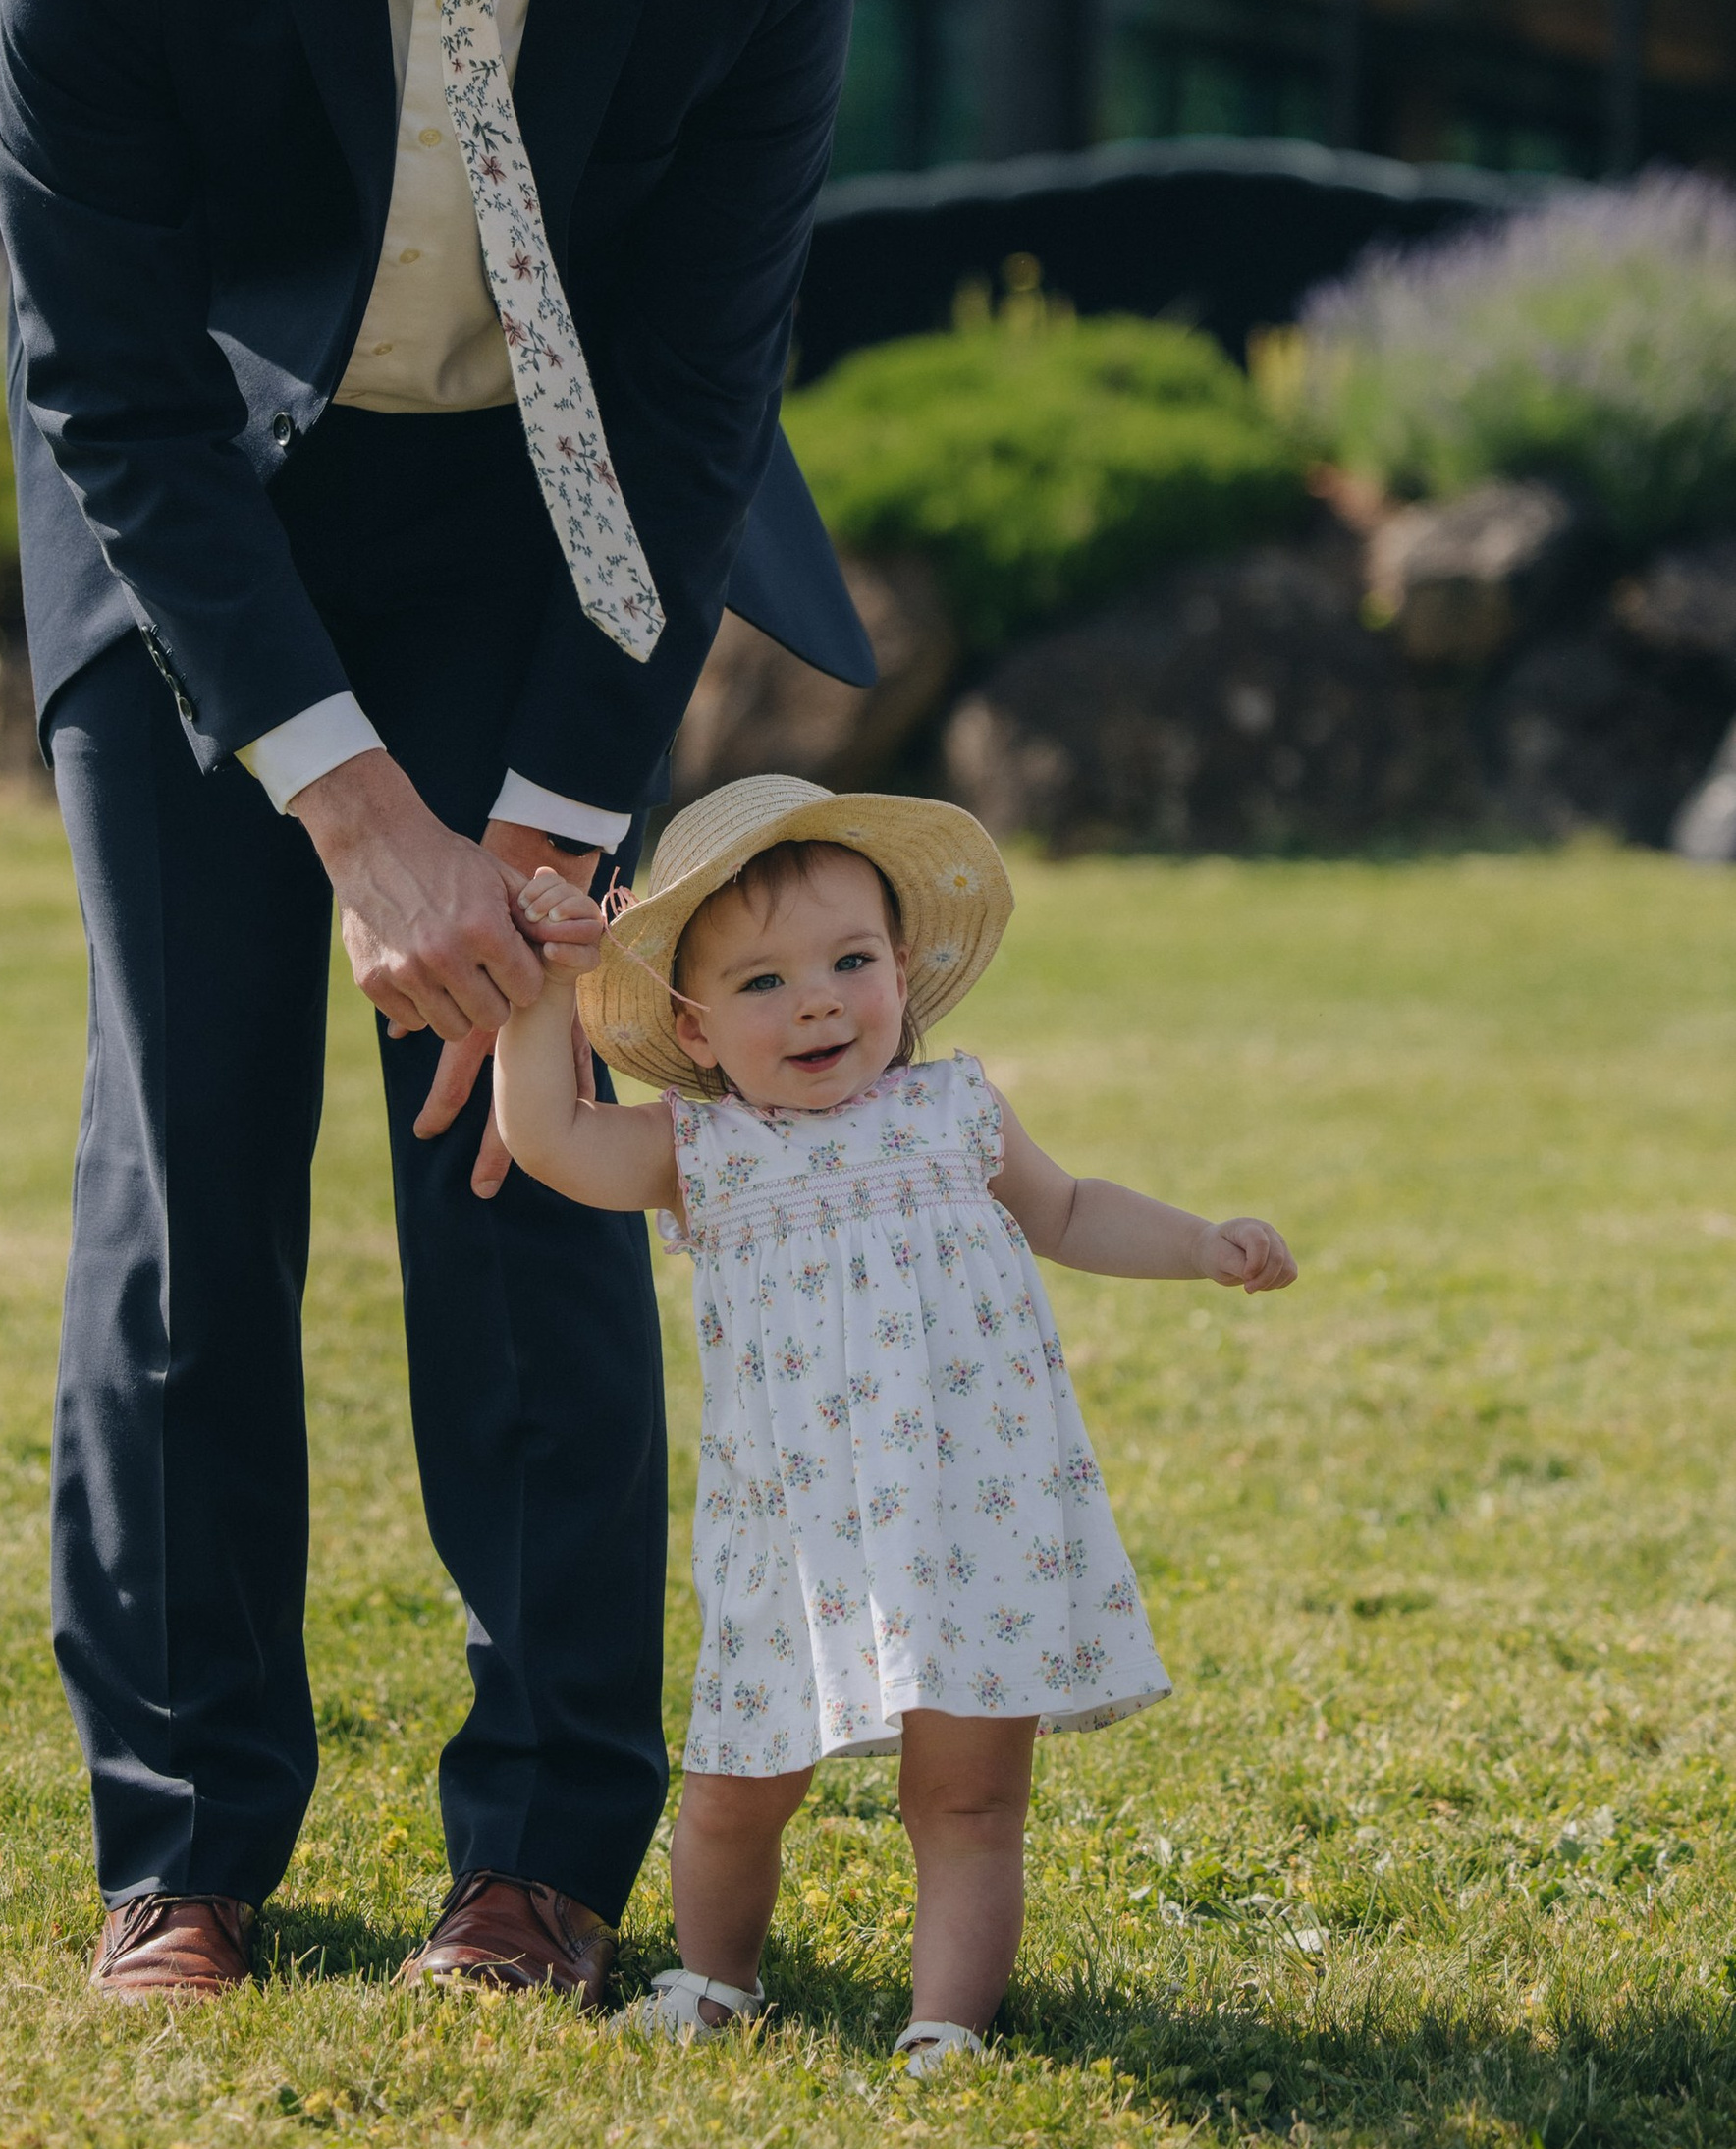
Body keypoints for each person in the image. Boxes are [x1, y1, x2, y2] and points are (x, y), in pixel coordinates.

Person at [0, 0, 874, 2003]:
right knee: (198, 1147)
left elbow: (707, 384)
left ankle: (542, 1859)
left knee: (524, 1153)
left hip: (550, 520)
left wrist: (545, 818)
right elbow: (113, 383)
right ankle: (186, 1847)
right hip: (204, 530)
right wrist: (352, 806)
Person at [495, 775, 1297, 2066]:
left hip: (972, 1510)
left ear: (904, 970)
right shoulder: (702, 1149)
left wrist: (1203, 1244)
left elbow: (1074, 1209)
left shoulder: (956, 1112)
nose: (815, 998)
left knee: (969, 1794)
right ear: (693, 1027)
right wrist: (544, 991)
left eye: (848, 960)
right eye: (761, 983)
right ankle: (715, 1979)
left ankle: (947, 2024)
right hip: (794, 1530)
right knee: (735, 1788)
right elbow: (545, 1135)